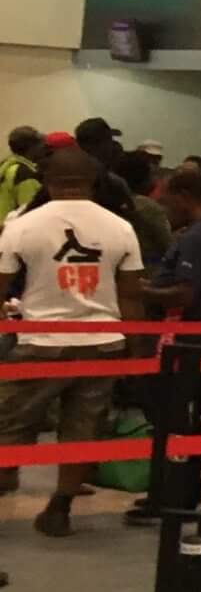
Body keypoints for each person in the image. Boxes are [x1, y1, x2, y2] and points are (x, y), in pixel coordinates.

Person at [0, 149, 146, 537]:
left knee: (9, 423)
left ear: (48, 182)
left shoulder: (22, 225)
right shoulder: (120, 226)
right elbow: (131, 295)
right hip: (103, 343)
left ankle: (5, 478)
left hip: (40, 343)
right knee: (84, 428)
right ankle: (60, 509)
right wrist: (137, 353)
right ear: (93, 183)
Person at [138, 167, 201, 516]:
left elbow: (184, 293)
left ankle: (172, 495)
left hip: (184, 339)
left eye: (167, 204)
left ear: (183, 197)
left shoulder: (196, 237)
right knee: (187, 417)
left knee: (175, 418)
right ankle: (183, 490)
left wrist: (142, 291)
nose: (165, 211)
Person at [115, 153, 173, 263]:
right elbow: (168, 245)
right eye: (151, 175)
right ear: (143, 179)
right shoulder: (148, 207)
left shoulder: (109, 202)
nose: (154, 180)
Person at [0, 127, 42, 219]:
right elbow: (28, 212)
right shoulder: (24, 174)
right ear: (33, 147)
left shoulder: (6, 165)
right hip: (10, 227)